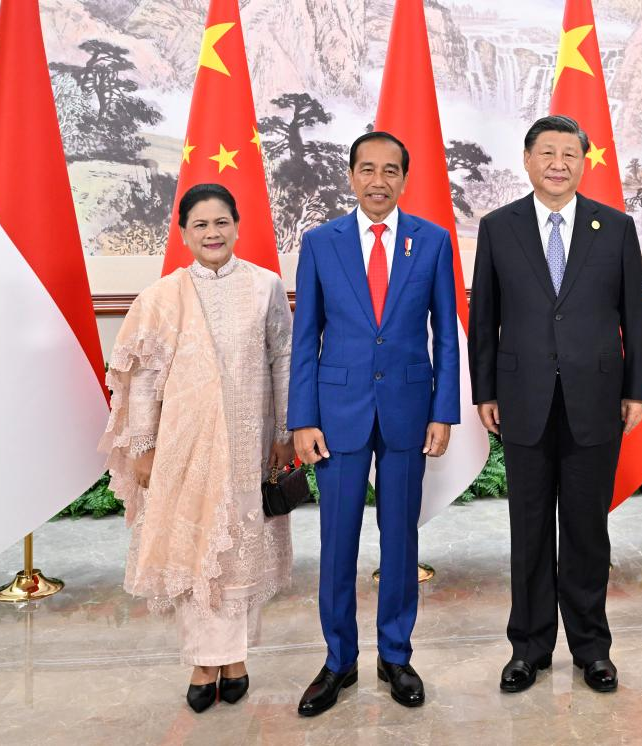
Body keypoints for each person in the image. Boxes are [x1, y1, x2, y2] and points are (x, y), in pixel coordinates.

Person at [468, 115, 642, 694]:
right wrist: (485, 391)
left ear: (584, 162)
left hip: (594, 399)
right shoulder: (499, 227)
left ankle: (592, 648)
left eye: (569, 154)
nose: (558, 163)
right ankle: (528, 647)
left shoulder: (615, 228)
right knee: (527, 530)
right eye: (547, 152)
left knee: (585, 530)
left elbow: (636, 316)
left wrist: (637, 388)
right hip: (522, 398)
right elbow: (484, 321)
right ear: (526, 160)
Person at [100, 183, 295, 713]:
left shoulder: (265, 286)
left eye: (221, 223)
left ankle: (235, 658)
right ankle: (202, 662)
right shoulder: (162, 297)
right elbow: (142, 380)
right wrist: (142, 447)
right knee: (195, 550)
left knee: (239, 553)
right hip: (185, 449)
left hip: (251, 441)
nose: (212, 233)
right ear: (184, 233)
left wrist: (283, 432)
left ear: (237, 225)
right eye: (200, 225)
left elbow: (284, 357)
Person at [289, 131, 460, 716]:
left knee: (401, 537)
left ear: (405, 180)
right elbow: (304, 336)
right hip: (336, 415)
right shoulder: (320, 243)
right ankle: (338, 660)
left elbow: (446, 334)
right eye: (367, 169)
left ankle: (395, 654)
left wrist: (444, 409)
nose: (378, 180)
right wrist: (302, 418)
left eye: (391, 170)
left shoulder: (431, 242)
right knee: (336, 542)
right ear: (351, 176)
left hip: (410, 412)